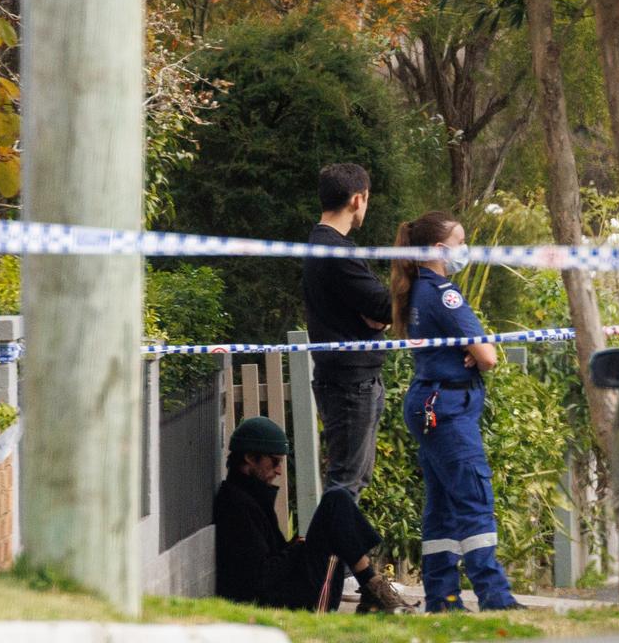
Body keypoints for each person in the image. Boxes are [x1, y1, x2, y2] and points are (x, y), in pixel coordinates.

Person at [389, 211, 523, 612]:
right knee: (473, 498)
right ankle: (494, 595)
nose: (465, 250)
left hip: (432, 403)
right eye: (460, 242)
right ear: (437, 249)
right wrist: (474, 351)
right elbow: (488, 356)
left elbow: (473, 351)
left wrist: (469, 351)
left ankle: (442, 597)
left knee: (443, 508)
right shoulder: (444, 293)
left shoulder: (417, 290)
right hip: (447, 408)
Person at [213, 416, 411, 613]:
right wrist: (297, 548)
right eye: (274, 462)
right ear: (249, 458)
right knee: (335, 502)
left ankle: (372, 587)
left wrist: (295, 546)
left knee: (337, 500)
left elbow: (271, 558)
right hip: (288, 602)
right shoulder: (237, 505)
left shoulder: (250, 495)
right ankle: (373, 588)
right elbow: (260, 578)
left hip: (289, 591)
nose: (279, 471)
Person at [302, 163, 393, 498]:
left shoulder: (323, 244)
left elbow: (377, 310)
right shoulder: (337, 251)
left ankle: (345, 552)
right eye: (367, 199)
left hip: (352, 378)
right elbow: (385, 306)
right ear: (358, 199)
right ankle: (327, 552)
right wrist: (380, 314)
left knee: (354, 480)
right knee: (345, 483)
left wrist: (377, 315)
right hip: (350, 382)